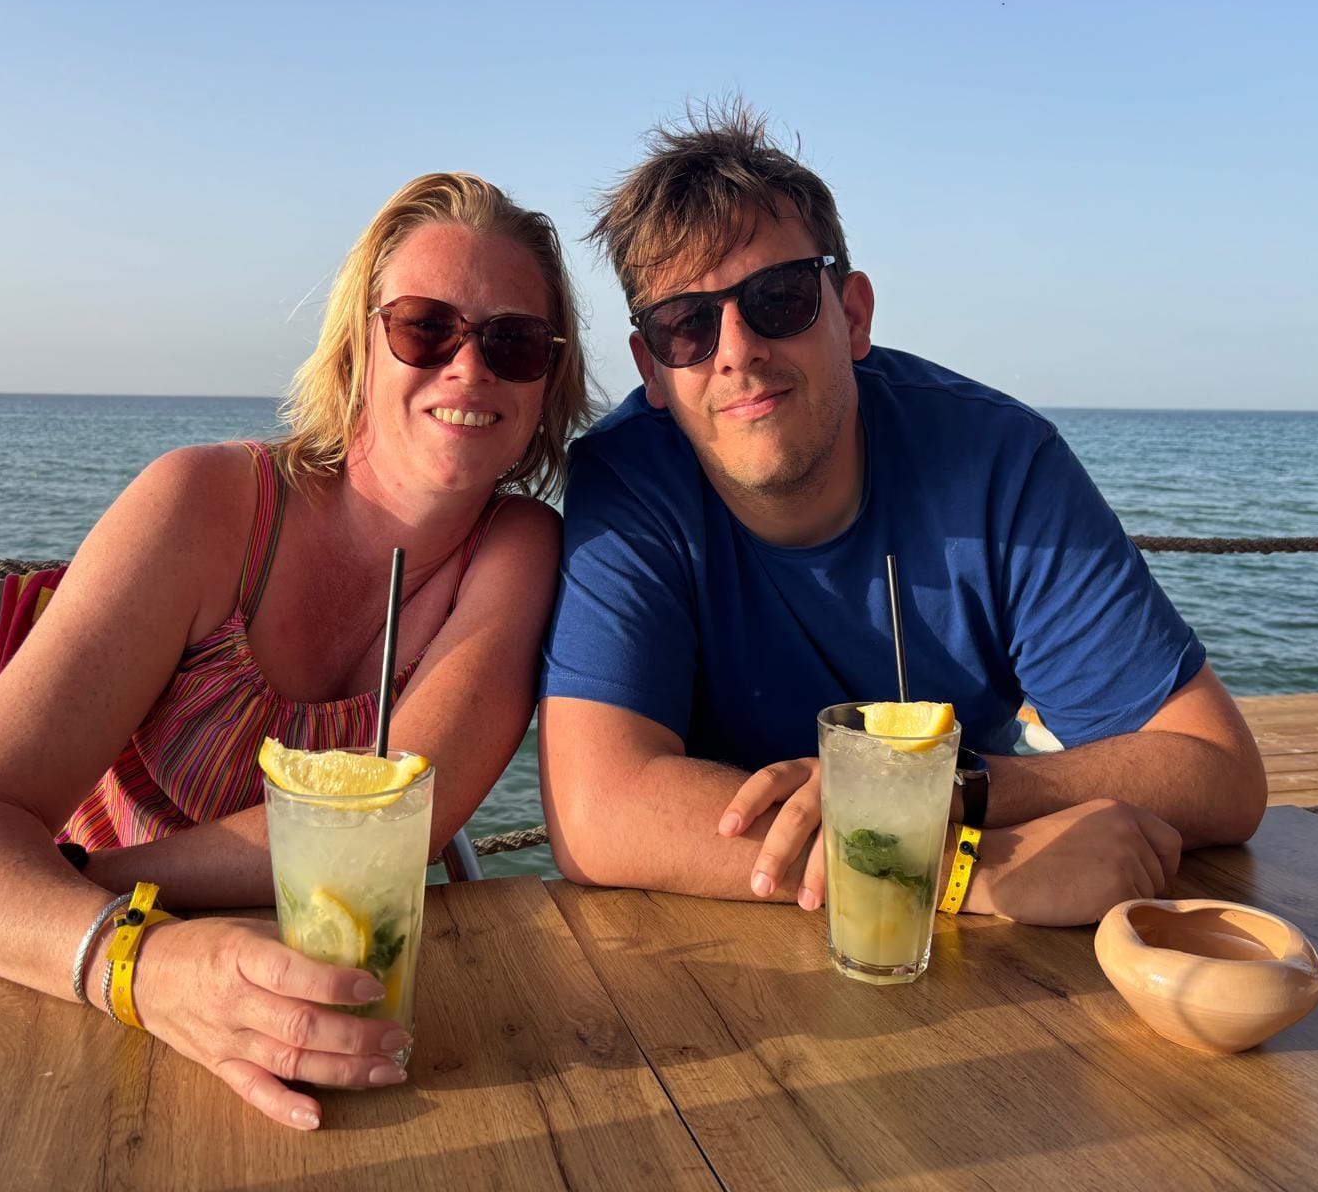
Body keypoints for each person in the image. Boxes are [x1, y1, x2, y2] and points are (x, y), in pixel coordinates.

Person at [0, 172, 595, 1130]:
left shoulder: (518, 549)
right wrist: (137, 953)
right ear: (359, 347)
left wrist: (94, 878)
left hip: (293, 1002)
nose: (469, 368)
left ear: (549, 379)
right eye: (425, 327)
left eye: (513, 342)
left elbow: (392, 825)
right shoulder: (206, 507)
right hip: (55, 969)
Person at [540, 105, 1267, 926]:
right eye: (686, 326)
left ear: (853, 315)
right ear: (652, 370)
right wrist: (952, 866)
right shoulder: (629, 482)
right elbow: (599, 812)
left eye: (778, 299)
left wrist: (949, 788)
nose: (736, 351)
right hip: (725, 934)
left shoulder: (998, 463)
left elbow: (1219, 769)